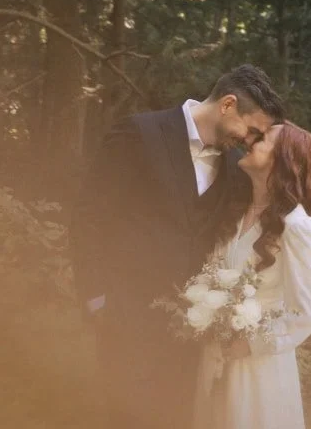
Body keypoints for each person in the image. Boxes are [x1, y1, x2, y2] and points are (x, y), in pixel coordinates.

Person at [71, 65, 285, 429]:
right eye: (251, 130)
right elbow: (90, 217)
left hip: (191, 334)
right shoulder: (138, 133)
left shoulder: (235, 167)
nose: (250, 141)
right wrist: (96, 299)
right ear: (228, 105)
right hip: (126, 316)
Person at [193, 121, 311, 429]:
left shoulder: (297, 227)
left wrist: (251, 344)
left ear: (284, 161)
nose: (250, 141)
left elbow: (310, 309)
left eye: (263, 139)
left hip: (257, 369)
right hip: (215, 358)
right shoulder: (235, 214)